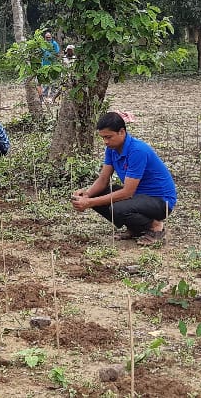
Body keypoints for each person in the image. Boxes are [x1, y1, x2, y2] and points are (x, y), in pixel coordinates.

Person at [70, 112, 176, 246]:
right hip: (139, 197)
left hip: (160, 201)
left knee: (118, 208)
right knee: (100, 195)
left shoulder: (137, 150)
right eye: (103, 138)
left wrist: (89, 202)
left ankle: (155, 227)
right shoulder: (111, 149)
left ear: (122, 132)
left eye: (109, 137)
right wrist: (87, 195)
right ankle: (136, 228)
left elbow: (127, 192)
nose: (106, 142)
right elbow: (103, 179)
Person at [40, 31, 61, 99]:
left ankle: (52, 95)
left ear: (51, 37)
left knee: (53, 80)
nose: (48, 39)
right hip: (45, 65)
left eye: (49, 37)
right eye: (47, 37)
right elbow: (41, 52)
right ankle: (45, 94)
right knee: (46, 80)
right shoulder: (42, 44)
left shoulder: (54, 43)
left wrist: (51, 55)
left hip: (53, 65)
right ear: (44, 38)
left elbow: (57, 52)